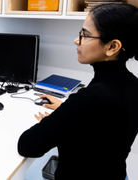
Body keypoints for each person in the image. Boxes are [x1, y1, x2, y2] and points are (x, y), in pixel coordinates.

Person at [18, 3, 138, 180]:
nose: (77, 40)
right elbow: (102, 129)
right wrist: (67, 110)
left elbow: (27, 146)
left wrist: (56, 123)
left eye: (85, 35)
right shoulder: (132, 84)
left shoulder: (90, 99)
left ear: (112, 47)